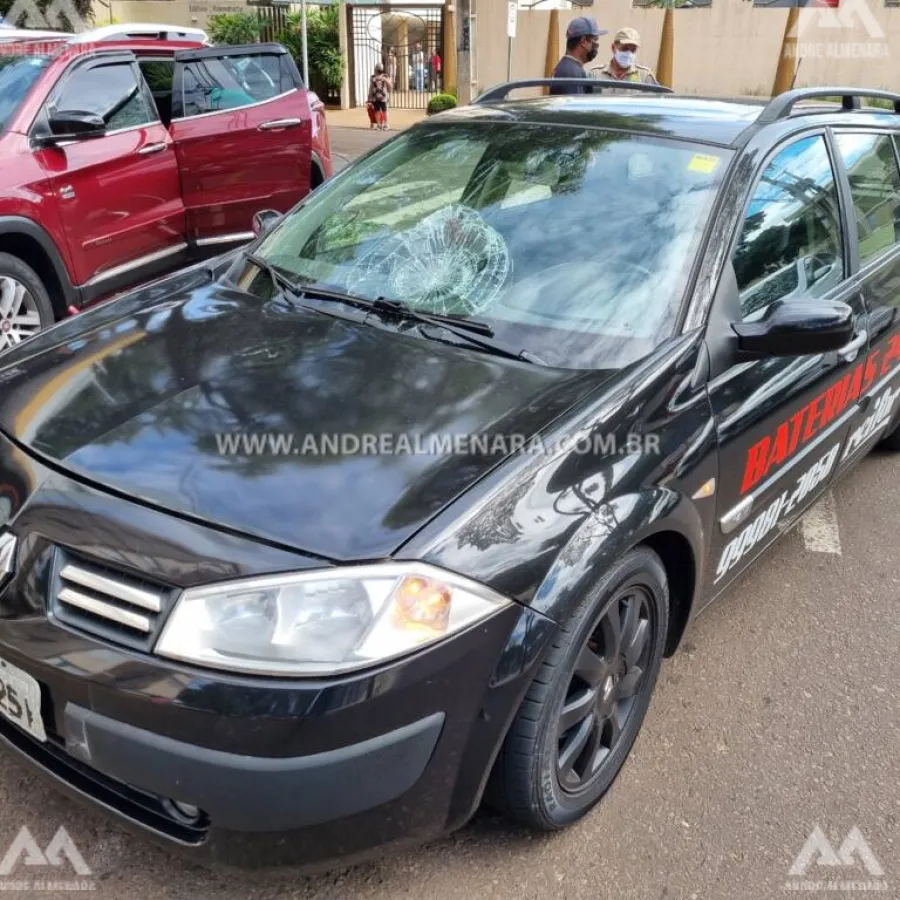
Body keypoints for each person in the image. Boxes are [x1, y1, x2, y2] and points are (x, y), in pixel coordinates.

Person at [549, 17, 607, 95]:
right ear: (583, 41)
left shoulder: (569, 67)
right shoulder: (571, 73)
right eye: (595, 39)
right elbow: (574, 107)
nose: (597, 45)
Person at [591, 27, 659, 91]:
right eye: (625, 48)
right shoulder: (596, 74)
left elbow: (658, 99)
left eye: (633, 50)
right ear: (613, 47)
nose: (629, 53)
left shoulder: (644, 76)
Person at [368, 63, 391, 130]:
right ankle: (378, 124)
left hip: (383, 97)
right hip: (375, 97)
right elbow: (371, 87)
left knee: (384, 111)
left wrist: (386, 81)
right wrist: (369, 96)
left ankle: (386, 124)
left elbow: (390, 85)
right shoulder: (373, 77)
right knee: (377, 111)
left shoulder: (385, 76)